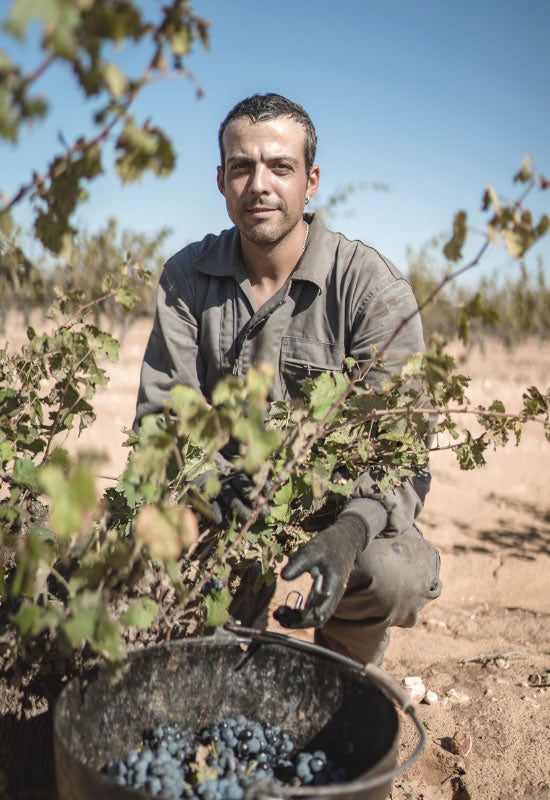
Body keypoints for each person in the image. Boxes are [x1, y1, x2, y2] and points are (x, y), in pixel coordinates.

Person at [134, 93, 442, 665]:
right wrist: (206, 483)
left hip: (343, 503)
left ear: (311, 180)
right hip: (227, 497)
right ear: (222, 180)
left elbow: (403, 452)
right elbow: (161, 420)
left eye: (280, 166)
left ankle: (348, 672)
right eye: (242, 167)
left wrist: (350, 532)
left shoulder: (372, 288)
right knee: (154, 542)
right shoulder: (185, 278)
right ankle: (226, 642)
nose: (260, 185)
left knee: (389, 572)